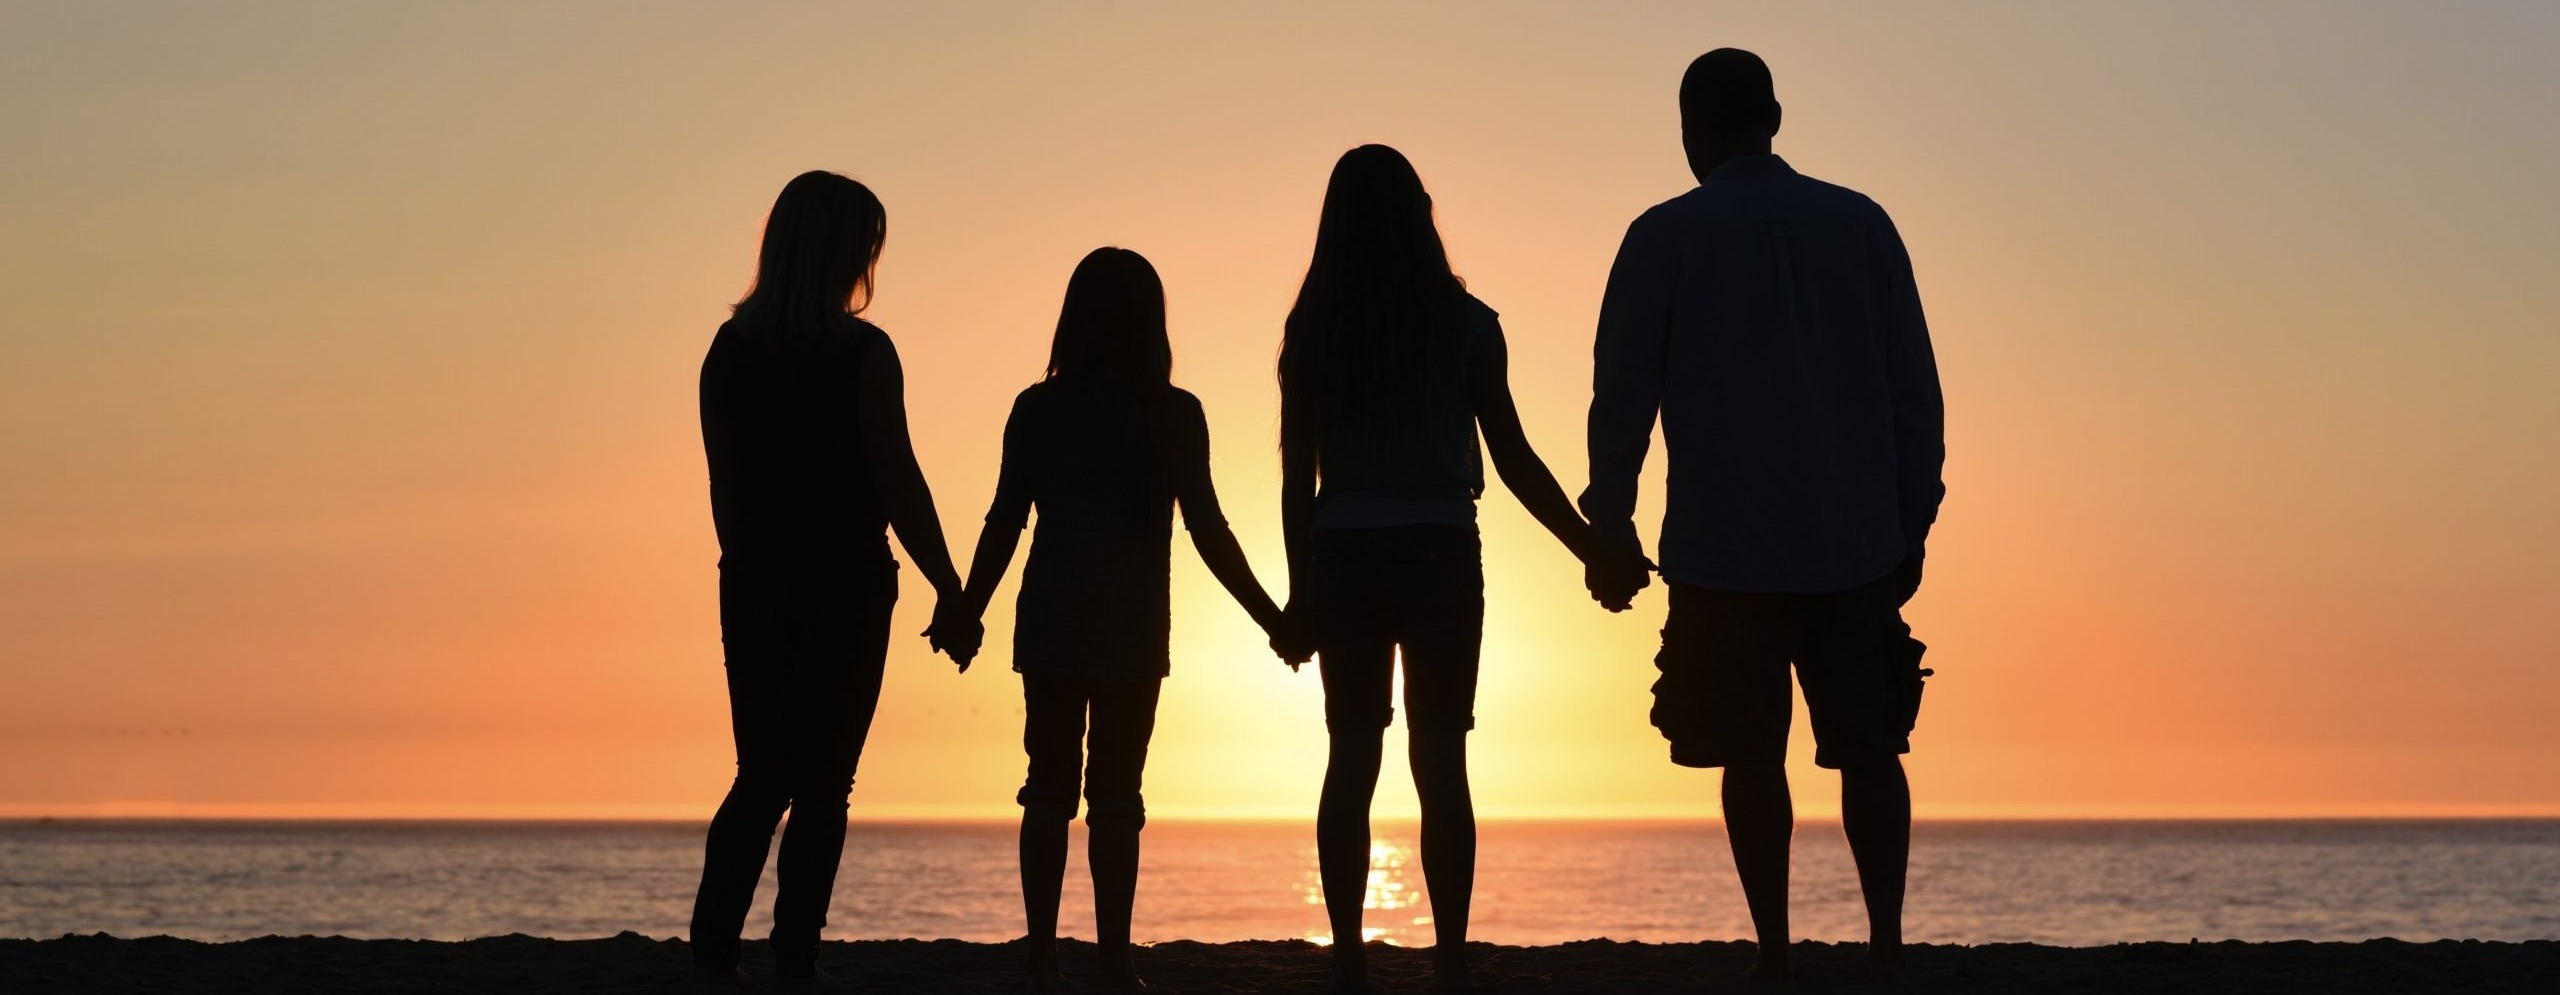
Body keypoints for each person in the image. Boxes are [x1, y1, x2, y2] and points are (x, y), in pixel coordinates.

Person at [1579, 49, 1946, 985]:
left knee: (1750, 755)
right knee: (1869, 748)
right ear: (1775, 116)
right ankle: (1886, 943)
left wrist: (1610, 517)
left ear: (1691, 130)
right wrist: (1914, 520)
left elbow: (1622, 393)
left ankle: (1776, 949)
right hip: (1853, 533)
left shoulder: (1664, 235)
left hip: (1722, 541)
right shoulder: (1862, 225)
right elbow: (1915, 393)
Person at [1279, 145, 1620, 994]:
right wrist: (1590, 545)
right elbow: (1511, 458)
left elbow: (1297, 477)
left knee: (1350, 755)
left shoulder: (1314, 329)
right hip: (1438, 548)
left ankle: (1352, 955)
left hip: (1345, 551)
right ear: (1421, 212)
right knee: (1442, 761)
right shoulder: (1467, 324)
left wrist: (1299, 592)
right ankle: (1454, 957)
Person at [949, 247, 1294, 992]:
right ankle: (1112, 961)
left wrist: (968, 608)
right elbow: (1208, 528)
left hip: (1052, 616)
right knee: (1116, 794)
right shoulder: (1172, 412)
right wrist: (1273, 618)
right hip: (1133, 626)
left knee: (1046, 784)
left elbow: (1005, 520)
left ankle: (1043, 956)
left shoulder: (1037, 408)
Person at [690, 170, 979, 987]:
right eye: (864, 241)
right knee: (821, 782)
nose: (869, 257)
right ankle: (792, 954)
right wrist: (949, 588)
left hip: (758, 581)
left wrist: (746, 563)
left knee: (765, 773)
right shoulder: (861, 353)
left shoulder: (730, 351)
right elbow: (898, 480)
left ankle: (718, 947)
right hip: (846, 583)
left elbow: (726, 484)